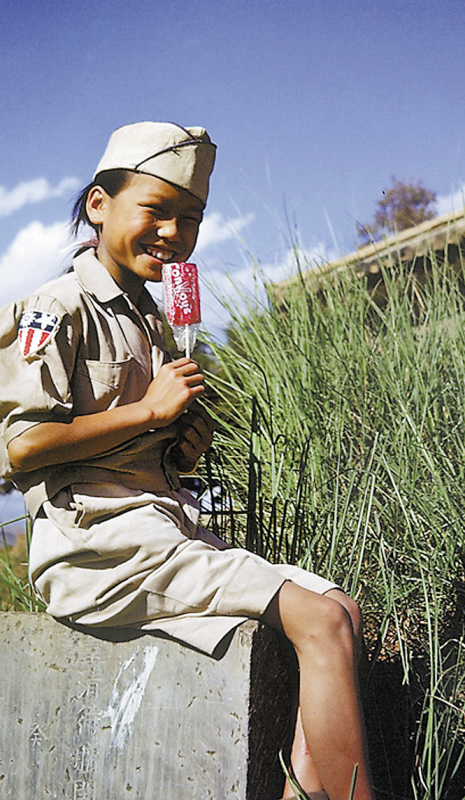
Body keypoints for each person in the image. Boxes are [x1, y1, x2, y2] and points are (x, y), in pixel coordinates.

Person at [0, 122, 374, 800]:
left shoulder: (158, 321)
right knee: (317, 622)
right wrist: (147, 411)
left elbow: (137, 449)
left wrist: (178, 444)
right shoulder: (56, 308)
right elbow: (20, 447)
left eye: (191, 219)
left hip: (162, 532)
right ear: (98, 205)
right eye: (156, 210)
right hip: (96, 550)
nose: (173, 231)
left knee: (338, 608)